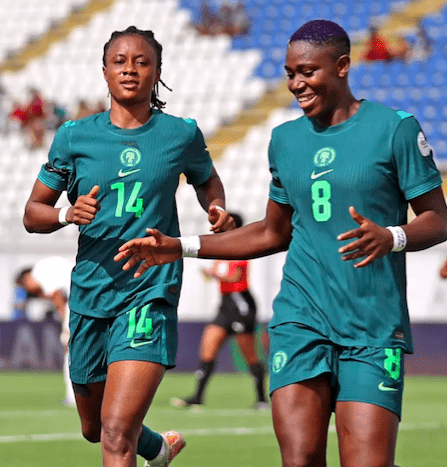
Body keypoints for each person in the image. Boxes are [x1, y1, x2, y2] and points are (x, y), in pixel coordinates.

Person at [116, 20, 447, 467]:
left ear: (342, 66)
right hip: (299, 320)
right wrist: (181, 246)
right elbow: (273, 232)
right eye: (290, 73)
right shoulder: (285, 139)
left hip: (372, 327)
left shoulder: (395, 129)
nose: (296, 84)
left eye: (308, 72)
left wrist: (392, 236)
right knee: (299, 459)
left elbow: (438, 220)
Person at [23, 25, 234, 467]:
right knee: (95, 427)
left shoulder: (180, 133)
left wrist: (215, 207)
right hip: (91, 292)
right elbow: (33, 213)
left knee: (117, 431)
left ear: (157, 72)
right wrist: (66, 214)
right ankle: (157, 448)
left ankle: (140, 443)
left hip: (148, 290)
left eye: (142, 62)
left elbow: (207, 179)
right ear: (104, 71)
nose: (130, 70)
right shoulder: (74, 136)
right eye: (119, 61)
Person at [169, 213, 268, 410]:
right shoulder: (223, 250)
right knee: (208, 348)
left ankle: (261, 399)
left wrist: (214, 274)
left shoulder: (241, 248)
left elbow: (235, 276)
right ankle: (197, 397)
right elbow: (221, 276)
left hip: (241, 305)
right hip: (225, 305)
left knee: (250, 354)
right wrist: (211, 275)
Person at [19, 256, 76, 407]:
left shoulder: (39, 272)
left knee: (70, 349)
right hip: (87, 296)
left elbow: (56, 295)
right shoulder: (48, 266)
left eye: (26, 287)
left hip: (76, 303)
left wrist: (65, 321)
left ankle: (73, 396)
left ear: (27, 279)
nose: (29, 291)